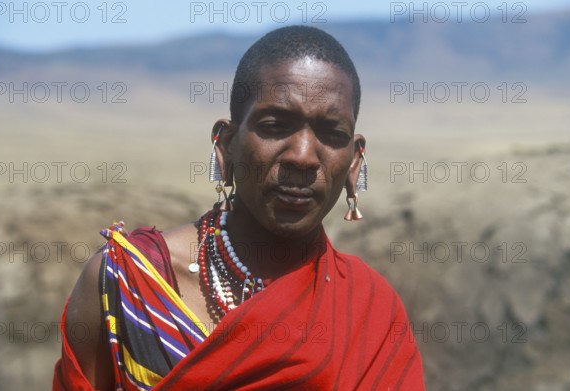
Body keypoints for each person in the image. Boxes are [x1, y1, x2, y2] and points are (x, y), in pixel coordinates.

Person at [53, 25, 425, 390]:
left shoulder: (370, 311)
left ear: (355, 162)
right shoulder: (130, 282)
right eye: (275, 125)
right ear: (226, 144)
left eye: (331, 134)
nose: (303, 157)